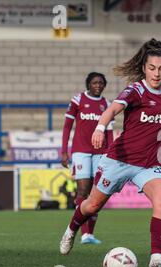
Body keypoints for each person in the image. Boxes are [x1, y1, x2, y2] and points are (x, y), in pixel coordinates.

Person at [59, 39, 161, 267]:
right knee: (92, 205)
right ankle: (71, 229)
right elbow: (112, 110)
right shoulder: (135, 90)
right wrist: (100, 127)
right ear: (144, 68)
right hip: (120, 160)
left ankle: (155, 259)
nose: (157, 73)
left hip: (150, 165)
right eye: (152, 68)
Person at [61, 72, 114, 244]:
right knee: (83, 190)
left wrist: (111, 152)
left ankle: (89, 234)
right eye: (94, 82)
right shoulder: (78, 100)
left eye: (101, 83)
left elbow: (110, 132)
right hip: (81, 151)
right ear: (88, 84)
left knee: (95, 192)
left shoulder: (107, 104)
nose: (98, 85)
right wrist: (64, 150)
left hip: (100, 152)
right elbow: (67, 126)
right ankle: (82, 232)